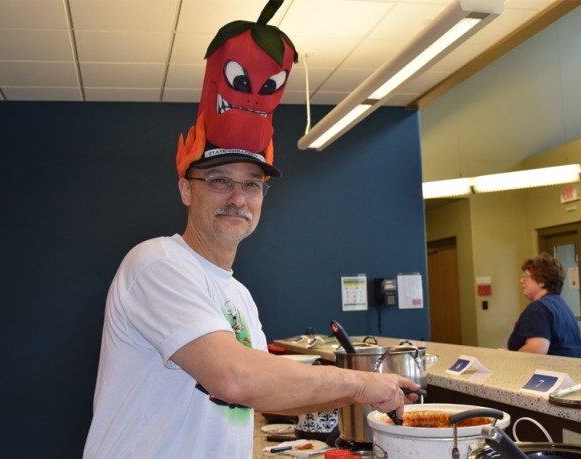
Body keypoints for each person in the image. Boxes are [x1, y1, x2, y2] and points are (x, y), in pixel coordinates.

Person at [84, 2, 419, 458]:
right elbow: (235, 378)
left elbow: (263, 386)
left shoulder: (236, 295)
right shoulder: (157, 264)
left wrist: (370, 392)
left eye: (251, 185)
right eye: (219, 182)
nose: (237, 199)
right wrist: (361, 382)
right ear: (187, 189)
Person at [507, 252, 581, 358]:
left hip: (550, 372)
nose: (521, 281)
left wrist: (510, 357)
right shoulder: (560, 304)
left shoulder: (538, 308)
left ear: (542, 281)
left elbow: (537, 349)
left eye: (526, 277)